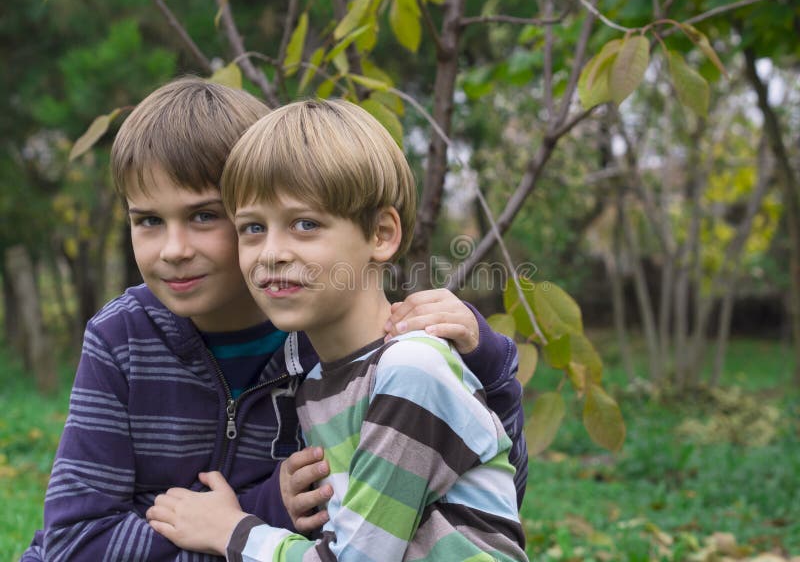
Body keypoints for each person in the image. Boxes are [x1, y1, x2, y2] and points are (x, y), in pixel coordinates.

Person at [21, 79, 527, 561]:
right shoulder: (122, 337)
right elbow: (76, 540)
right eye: (149, 220)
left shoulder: (323, 349)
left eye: (204, 216)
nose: (174, 250)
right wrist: (257, 515)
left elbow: (469, 498)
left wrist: (486, 364)